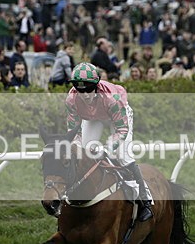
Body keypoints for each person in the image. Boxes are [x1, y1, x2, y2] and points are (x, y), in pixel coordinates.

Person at [65, 62, 153, 221]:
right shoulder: (71, 99)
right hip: (93, 117)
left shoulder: (112, 99)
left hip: (117, 118)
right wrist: (75, 147)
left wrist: (107, 149)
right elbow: (73, 131)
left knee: (123, 156)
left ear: (96, 85)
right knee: (84, 152)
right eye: (80, 89)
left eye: (88, 89)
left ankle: (145, 200)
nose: (84, 94)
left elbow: (122, 130)